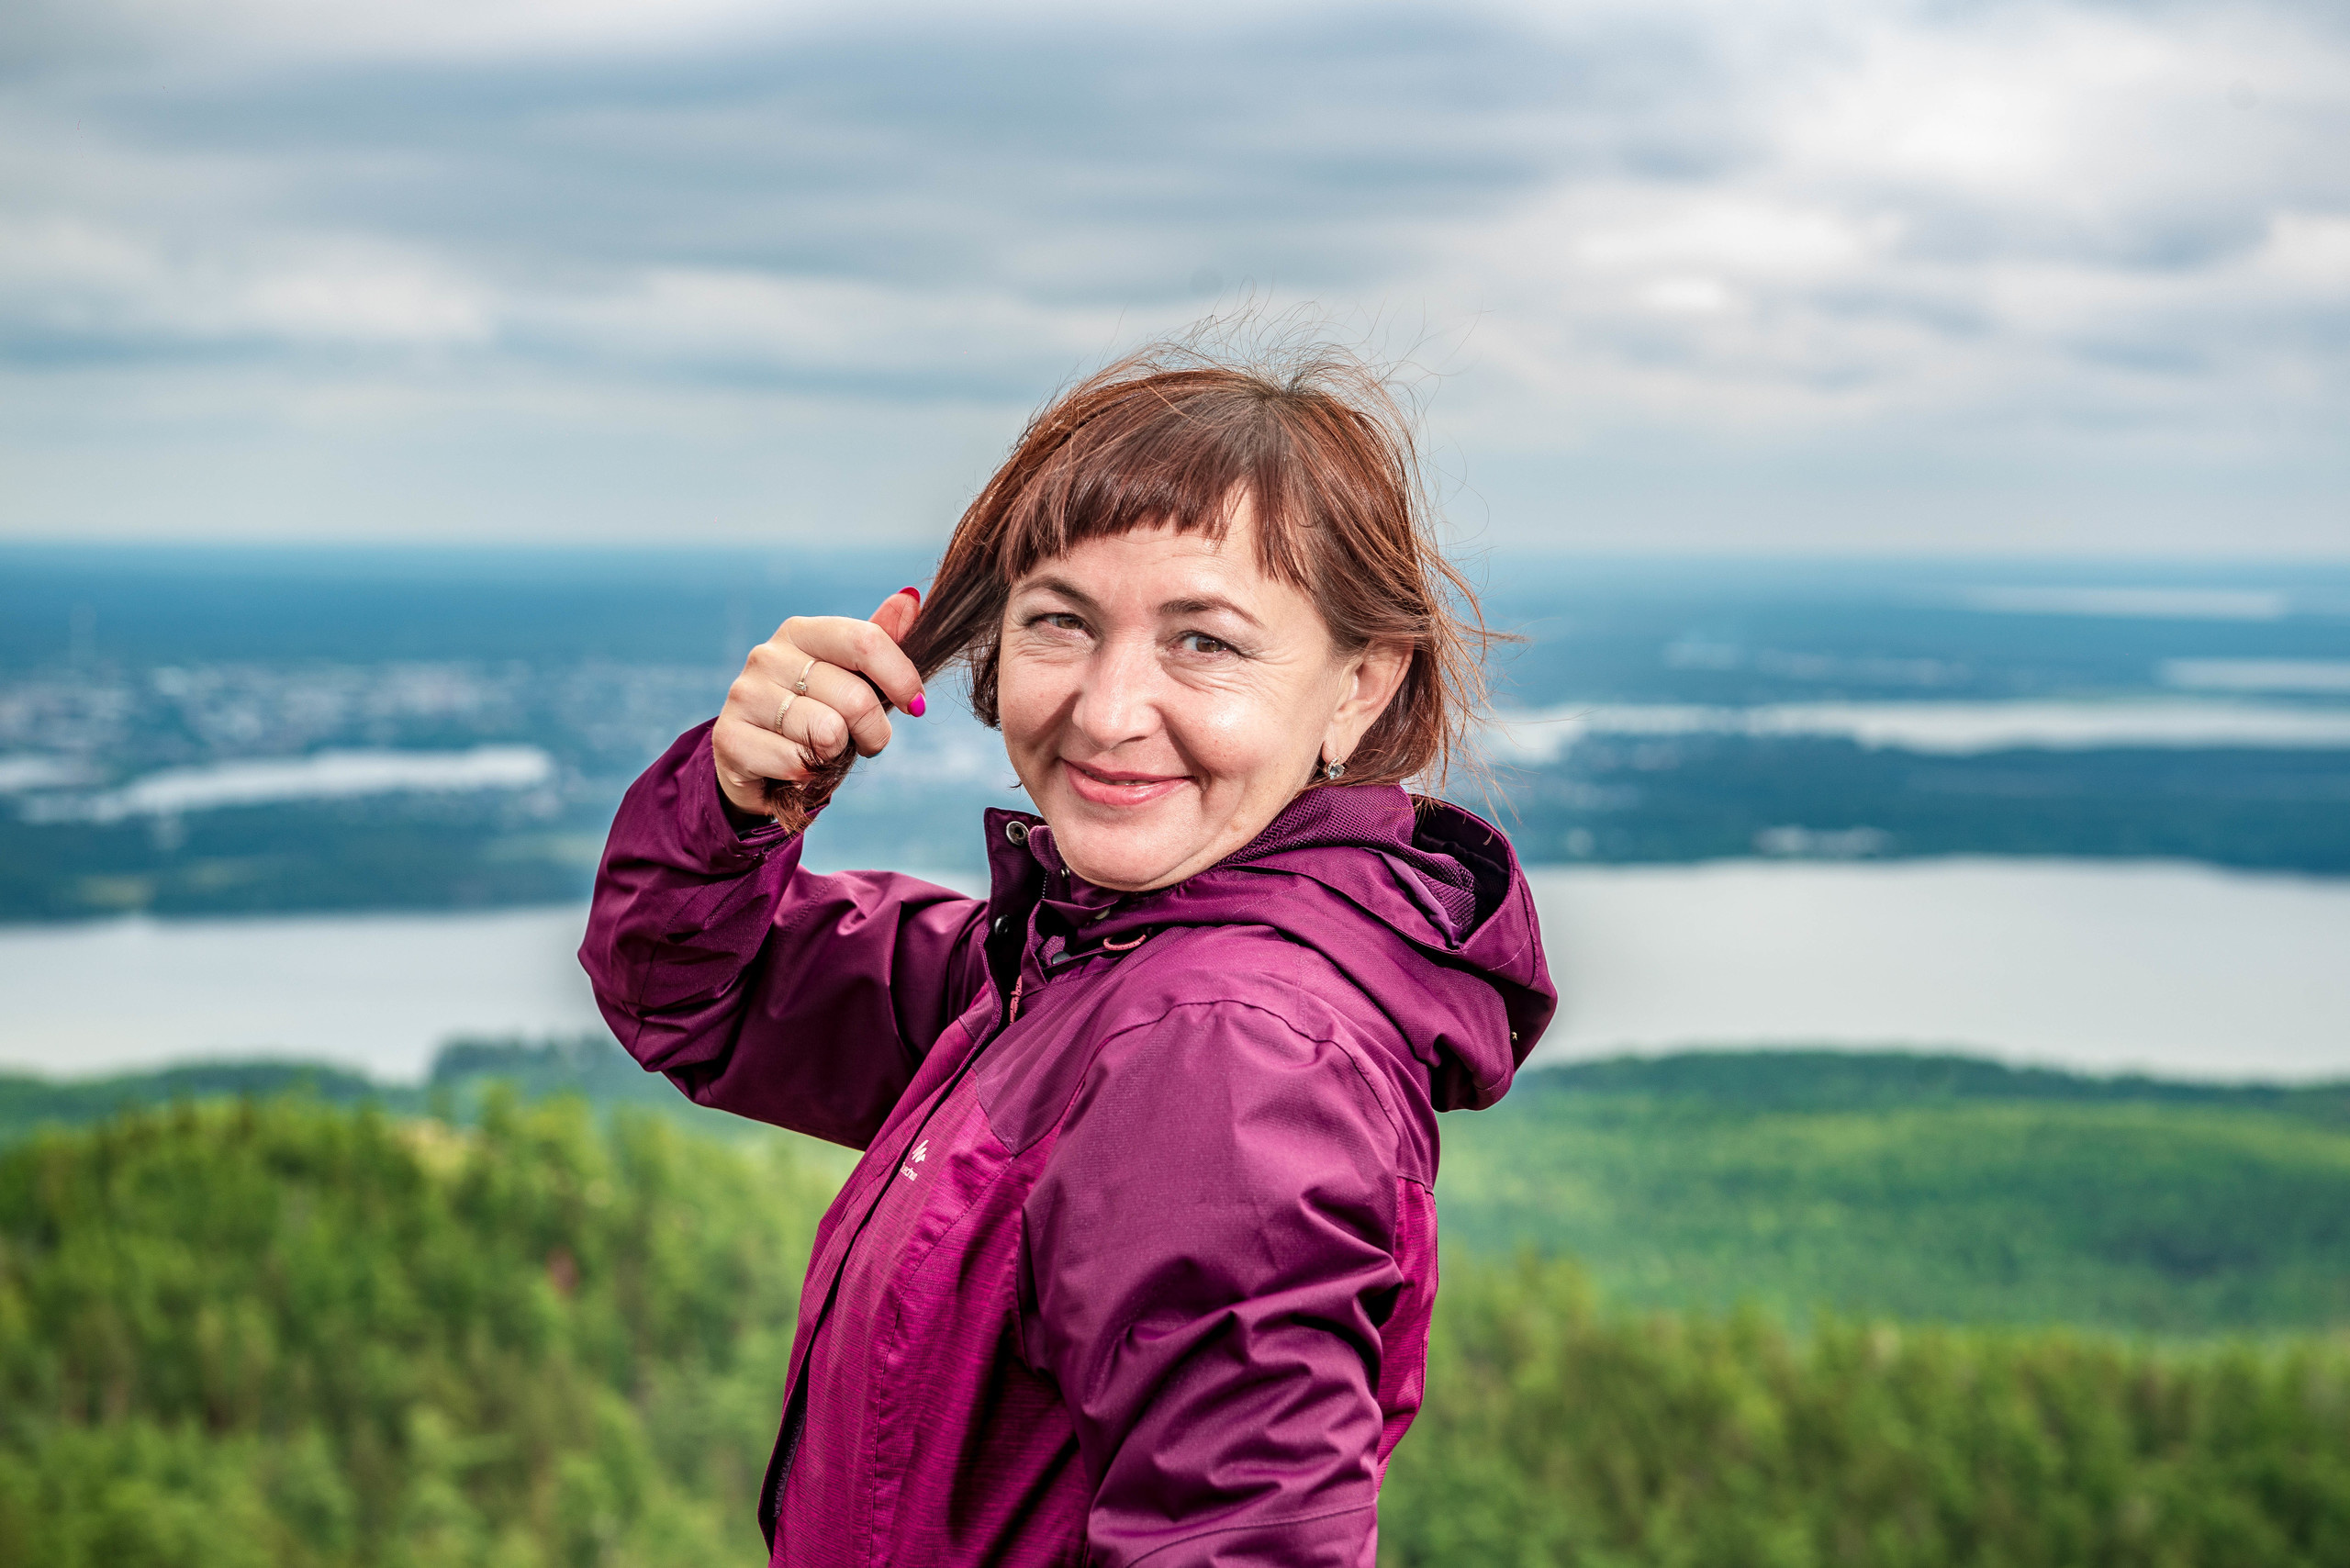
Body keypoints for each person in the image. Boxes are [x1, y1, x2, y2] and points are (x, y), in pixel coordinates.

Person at [579, 342, 1555, 1567]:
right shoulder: (1081, 963)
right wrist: (736, 804)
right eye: (1061, 623)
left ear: (1360, 685)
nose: (1104, 711)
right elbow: (702, 994)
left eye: (1204, 641)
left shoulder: (1224, 1047)